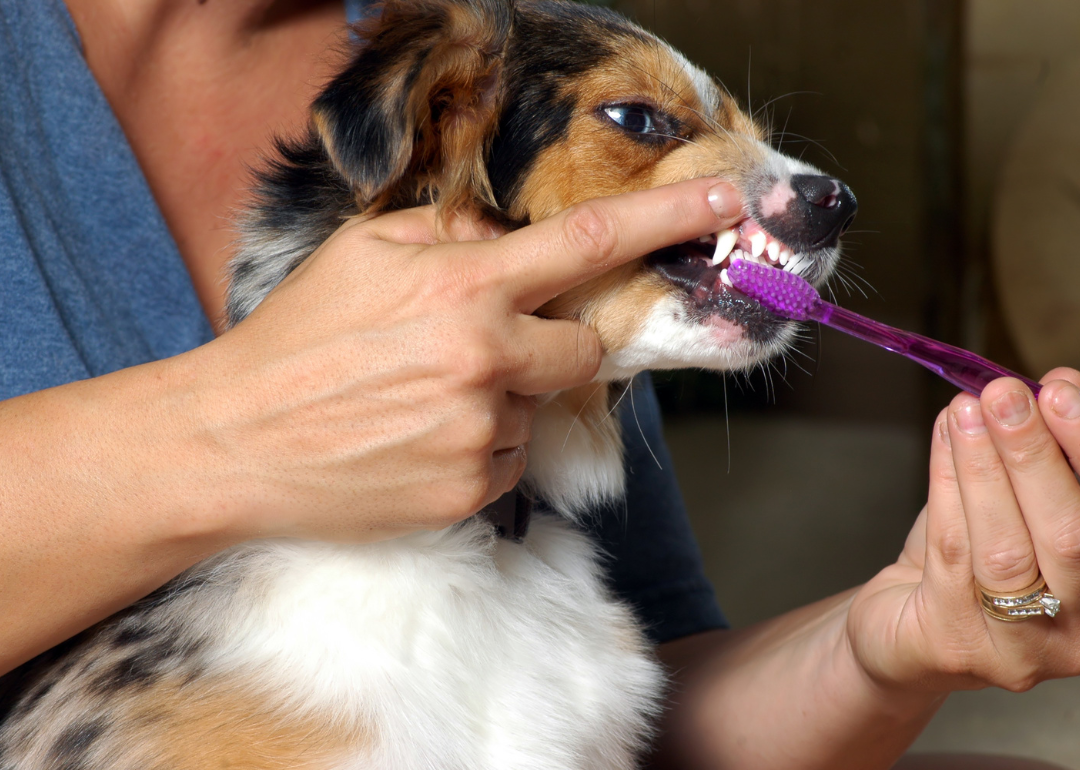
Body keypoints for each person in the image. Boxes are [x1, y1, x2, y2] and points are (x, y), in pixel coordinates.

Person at [1, 1, 1079, 769]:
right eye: (651, 127)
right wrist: (242, 436)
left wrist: (896, 642)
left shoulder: (527, 57)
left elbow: (660, 697)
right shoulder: (468, 77)